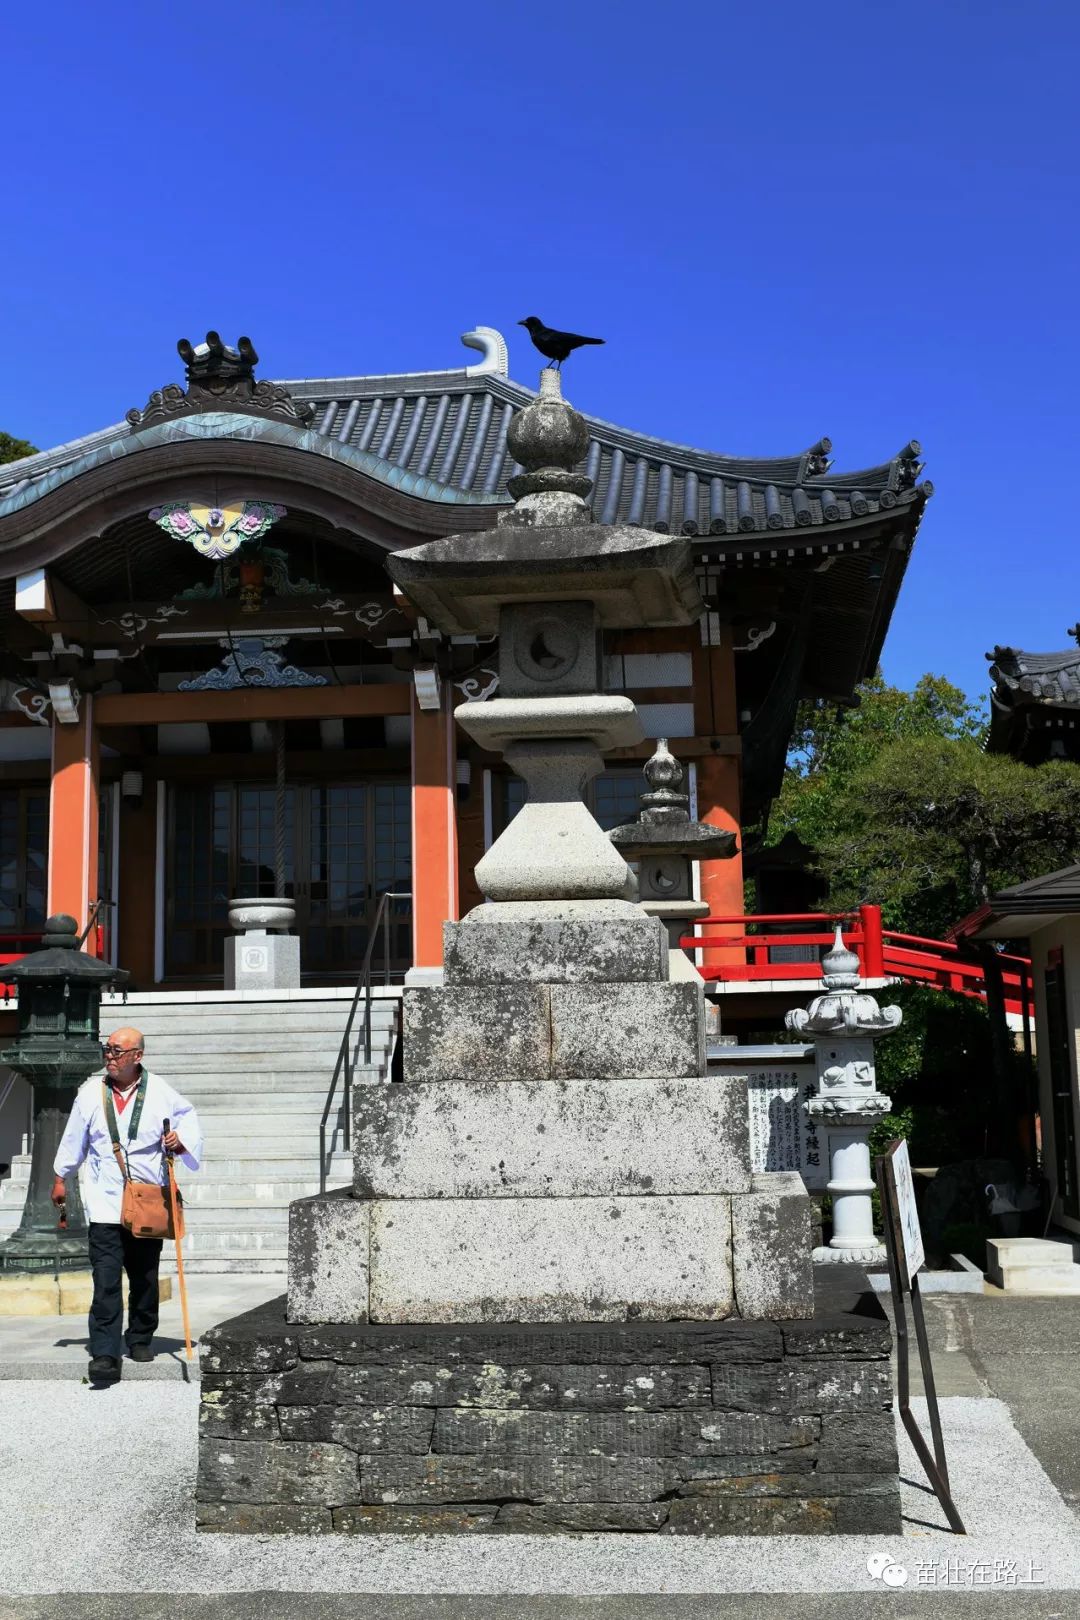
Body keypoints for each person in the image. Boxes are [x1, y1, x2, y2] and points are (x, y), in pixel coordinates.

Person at [50, 1026, 202, 1382]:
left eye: (118, 1051)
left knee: (144, 1275)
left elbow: (188, 1120)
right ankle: (104, 1351)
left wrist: (179, 1140)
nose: (110, 1056)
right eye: (108, 1049)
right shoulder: (90, 1093)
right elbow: (74, 1137)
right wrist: (61, 1176)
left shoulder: (161, 1091)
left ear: (138, 1056)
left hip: (147, 1198)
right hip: (104, 1200)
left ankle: (140, 1336)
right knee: (105, 1279)